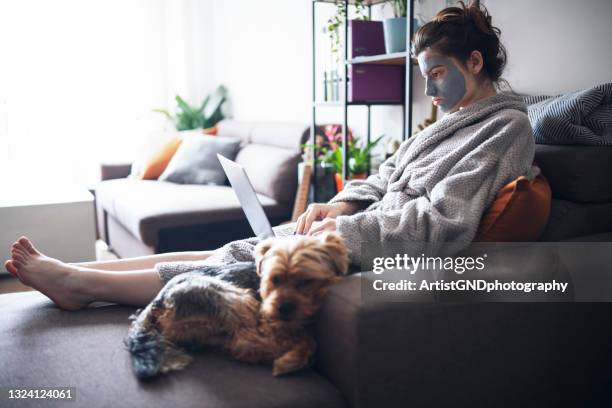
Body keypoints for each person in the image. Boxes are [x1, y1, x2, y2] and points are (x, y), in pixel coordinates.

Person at [3, 0, 535, 311]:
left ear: (475, 60)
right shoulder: (446, 124)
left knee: (239, 262)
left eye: (438, 73)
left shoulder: (505, 130)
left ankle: (82, 286)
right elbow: (385, 178)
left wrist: (342, 234)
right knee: (240, 244)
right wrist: (340, 207)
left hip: (384, 250)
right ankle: (78, 270)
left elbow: (442, 223)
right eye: (424, 77)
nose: (431, 89)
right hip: (361, 227)